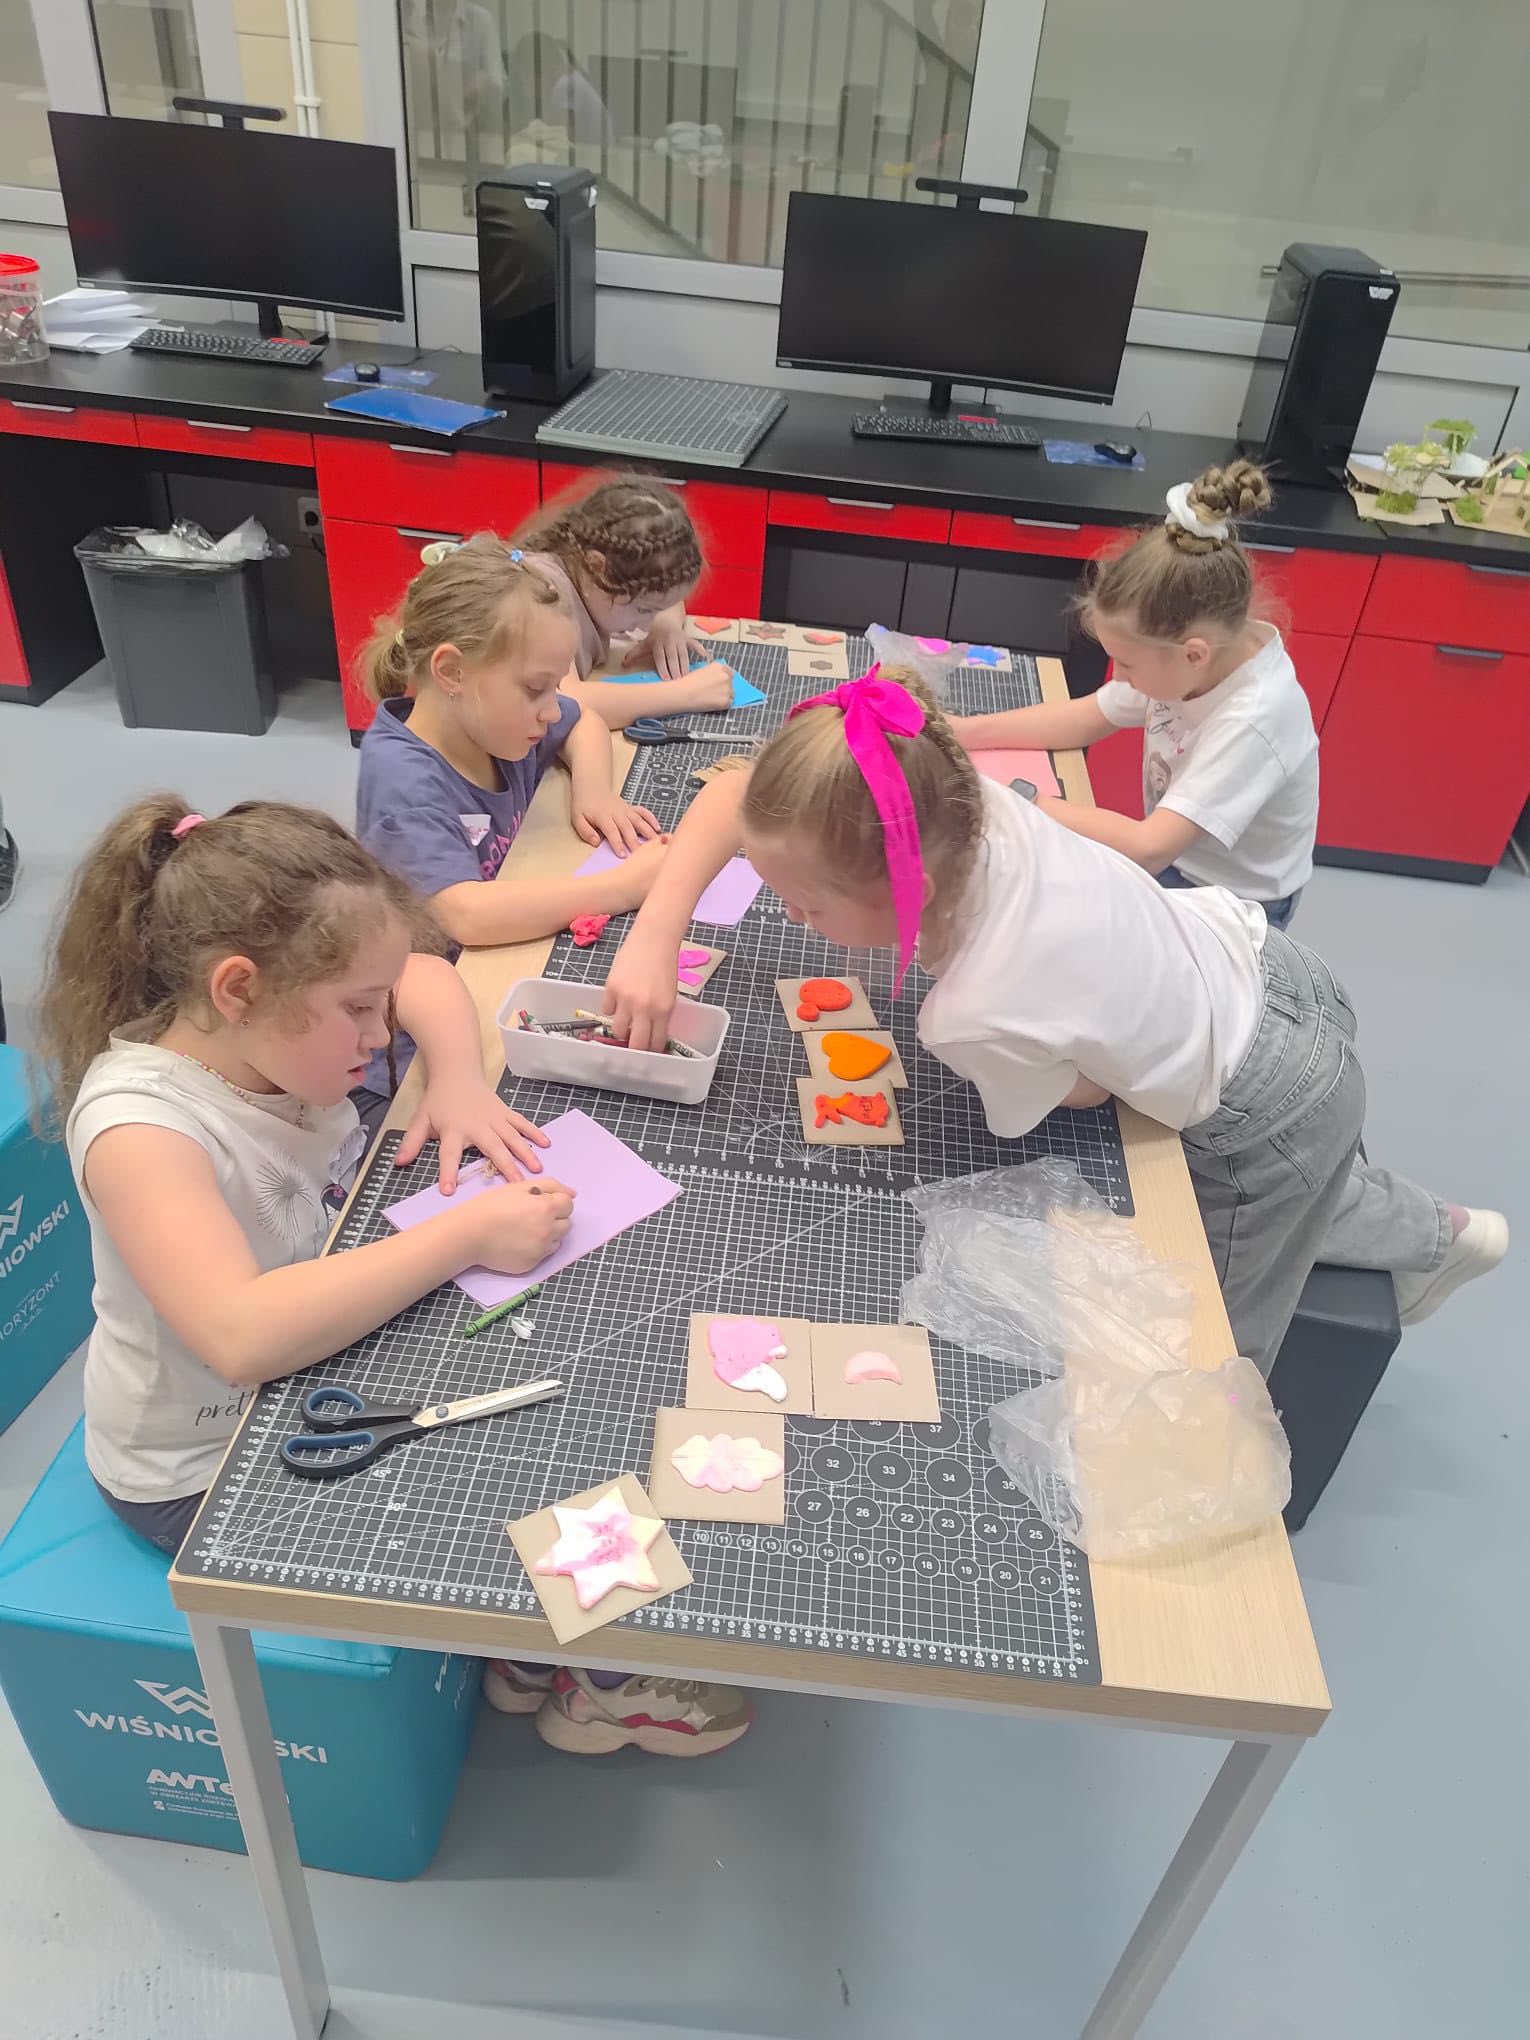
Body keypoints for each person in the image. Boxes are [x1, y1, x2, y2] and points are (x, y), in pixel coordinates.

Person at [604, 667, 1507, 1365]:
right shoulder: (954, 801)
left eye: (805, 904)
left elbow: (1081, 1093)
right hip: (1271, 966)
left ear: (906, 887)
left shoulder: (974, 1008)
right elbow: (736, 799)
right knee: (1302, 1182)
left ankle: (1223, 1513)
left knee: (1205, 1338)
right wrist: (654, 937)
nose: (791, 917)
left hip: (1262, 1105)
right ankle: (1447, 1235)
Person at [35, 796, 575, 1561]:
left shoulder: (254, 1036)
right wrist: (467, 1234)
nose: (381, 1033)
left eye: (379, 1005)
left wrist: (458, 1078)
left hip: (302, 1371)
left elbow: (422, 973)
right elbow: (241, 1336)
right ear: (238, 989)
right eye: (357, 1009)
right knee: (479, 1525)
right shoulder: (139, 1131)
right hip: (199, 1465)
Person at [352, 536, 669, 1129]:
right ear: (452, 671)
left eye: (554, 688)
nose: (551, 709)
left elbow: (583, 719)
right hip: (407, 1057)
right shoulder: (404, 781)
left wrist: (594, 791)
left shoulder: (494, 724)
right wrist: (626, 887)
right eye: (535, 689)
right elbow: (465, 914)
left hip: (489, 978)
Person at [948, 462, 1316, 930]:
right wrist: (964, 732)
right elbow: (1088, 717)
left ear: (1194, 654)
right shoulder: (1193, 661)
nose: (1118, 676)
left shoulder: (1253, 719)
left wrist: (1010, 796)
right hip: (1177, 861)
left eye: (1127, 664)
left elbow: (1149, 846)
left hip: (1233, 903)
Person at [516, 473, 741, 725]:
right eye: (644, 610)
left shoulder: (587, 577)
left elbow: (668, 597)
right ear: (597, 566)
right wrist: (688, 693)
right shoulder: (542, 593)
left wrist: (665, 624)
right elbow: (565, 702)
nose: (645, 625)